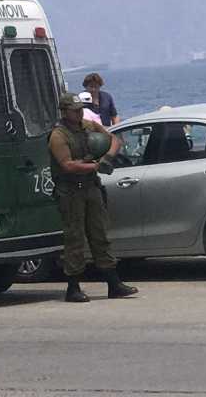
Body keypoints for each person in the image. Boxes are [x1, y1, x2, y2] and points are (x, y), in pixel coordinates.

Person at [49, 93, 138, 303]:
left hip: (90, 187)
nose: (79, 113)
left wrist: (107, 157)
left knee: (100, 234)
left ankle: (113, 283)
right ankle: (73, 287)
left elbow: (114, 139)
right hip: (71, 191)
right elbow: (67, 165)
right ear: (64, 112)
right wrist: (95, 166)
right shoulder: (58, 136)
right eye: (75, 110)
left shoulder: (88, 126)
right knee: (75, 238)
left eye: (80, 109)